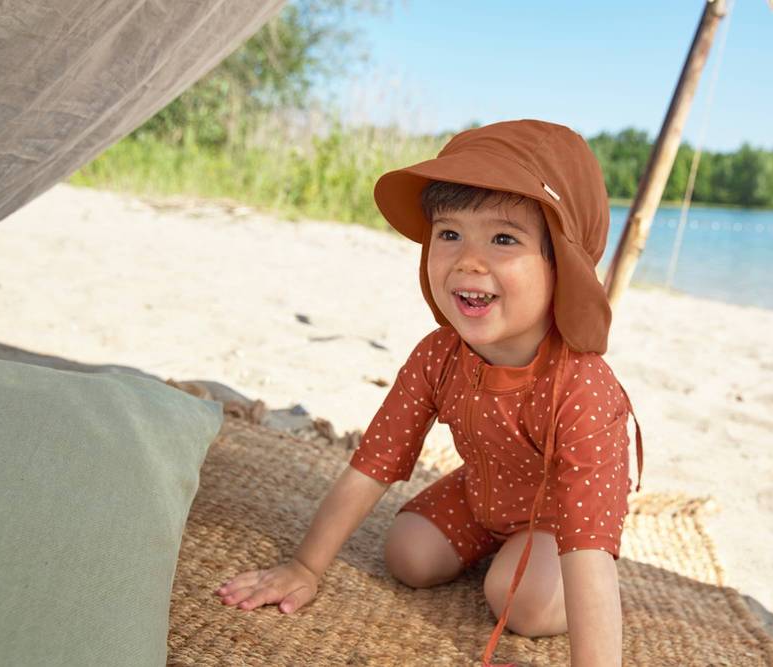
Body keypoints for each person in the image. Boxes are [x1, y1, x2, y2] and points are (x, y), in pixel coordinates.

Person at [214, 119, 644, 666]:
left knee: (523, 605)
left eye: (504, 238)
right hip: (480, 493)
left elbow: (582, 541)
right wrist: (305, 566)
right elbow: (374, 461)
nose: (468, 259)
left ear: (562, 262)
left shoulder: (581, 388)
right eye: (449, 233)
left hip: (559, 520)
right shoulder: (439, 354)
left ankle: (544, 570)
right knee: (408, 556)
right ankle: (498, 546)